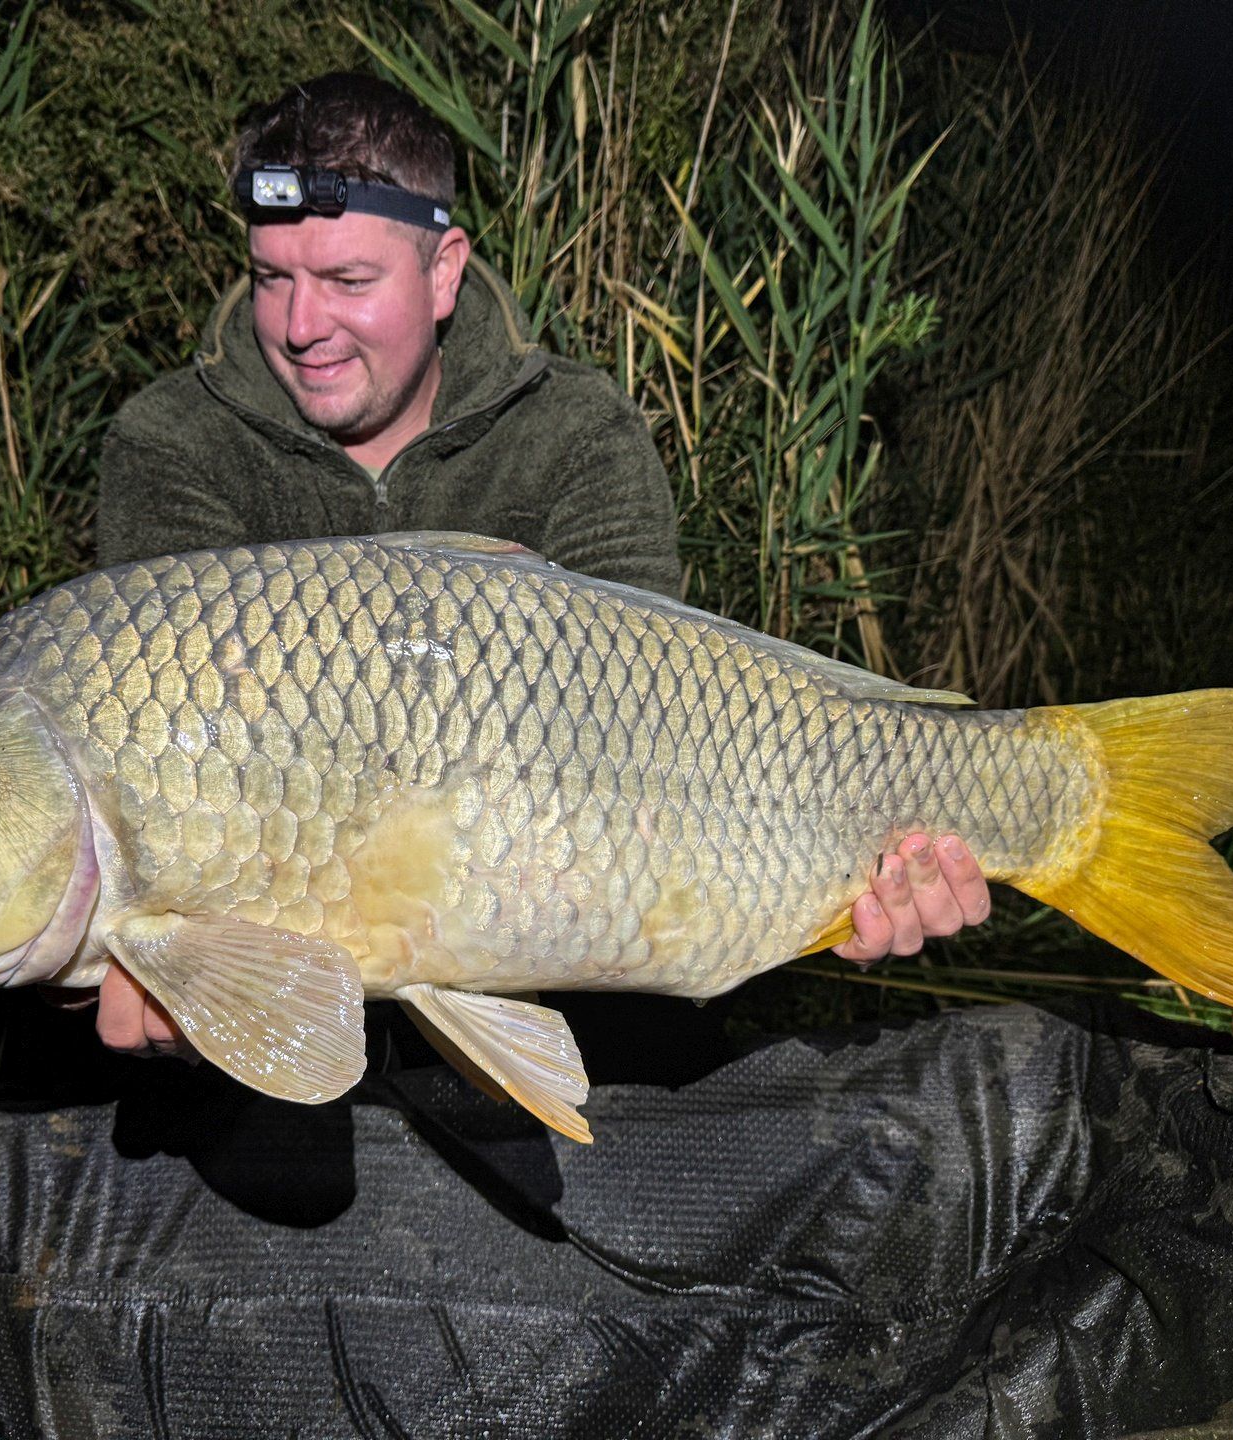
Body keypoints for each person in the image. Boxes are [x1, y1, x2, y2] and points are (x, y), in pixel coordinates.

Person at [87, 72, 987, 1053]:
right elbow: (153, 800)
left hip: (579, 987)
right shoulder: (171, 444)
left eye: (348, 282)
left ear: (443, 272)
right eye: (272, 278)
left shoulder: (576, 434)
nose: (302, 327)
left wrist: (839, 888)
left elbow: (674, 746)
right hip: (284, 1049)